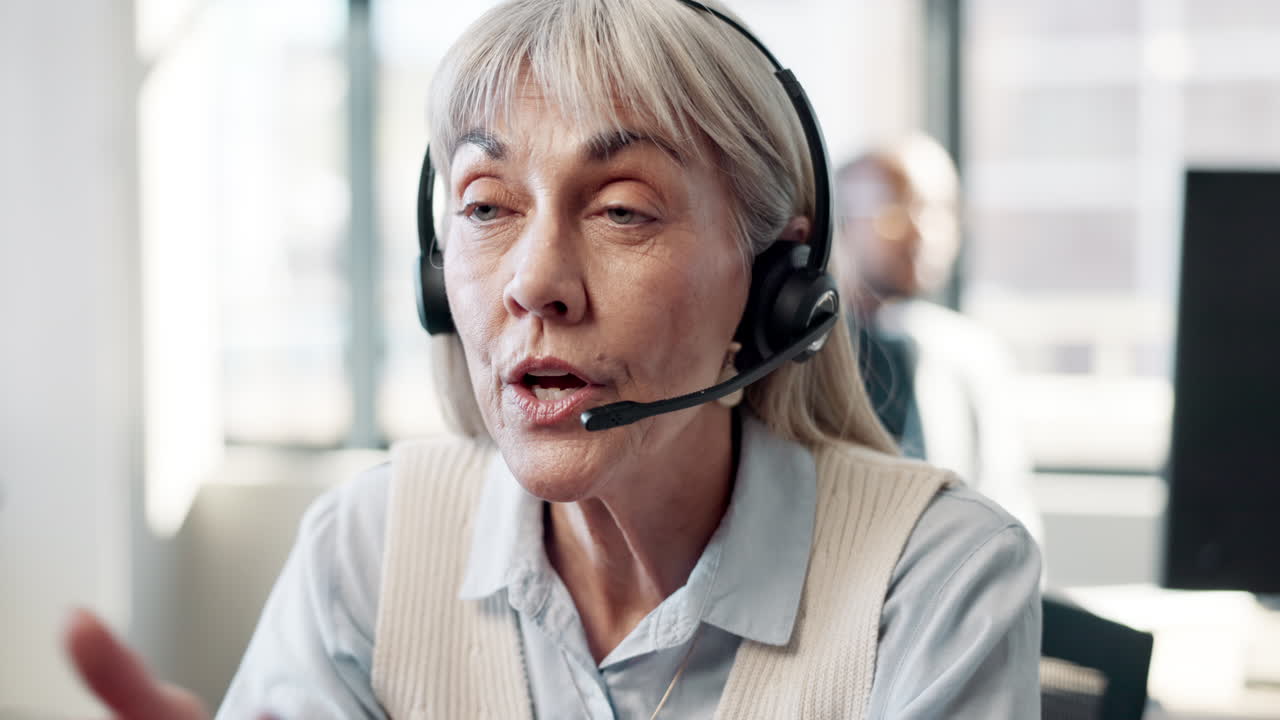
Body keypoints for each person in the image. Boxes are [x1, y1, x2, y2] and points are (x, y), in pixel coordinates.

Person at [64, 1, 1042, 718]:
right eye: (486, 206)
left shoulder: (935, 576)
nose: (535, 283)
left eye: (621, 208)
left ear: (775, 277)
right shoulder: (367, 547)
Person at [835, 134, 1044, 543]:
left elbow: (1008, 506)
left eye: (940, 211)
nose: (922, 231)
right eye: (894, 212)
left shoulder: (971, 354)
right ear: (839, 221)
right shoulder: (804, 357)